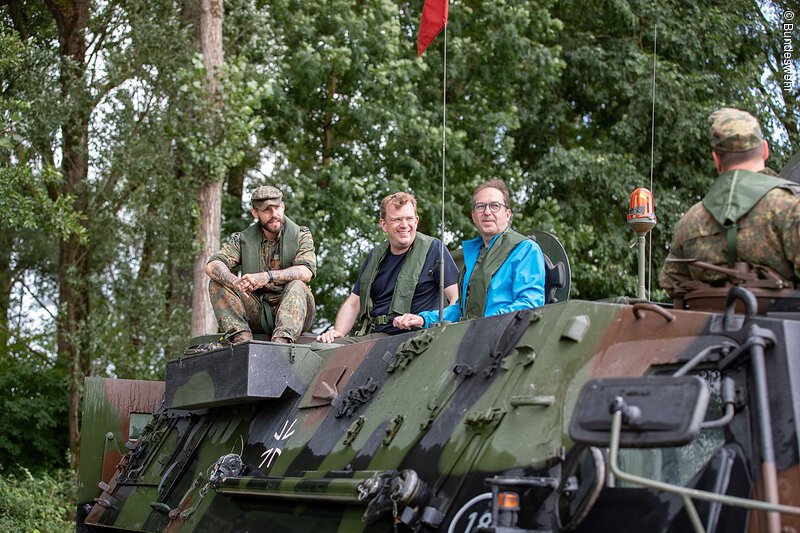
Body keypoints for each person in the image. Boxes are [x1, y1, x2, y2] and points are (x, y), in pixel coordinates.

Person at [659, 107, 800, 295]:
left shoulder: (689, 222)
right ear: (765, 150)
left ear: (716, 159)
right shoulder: (790, 207)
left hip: (711, 324)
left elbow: (671, 283)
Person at [394, 179, 546, 330]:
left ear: (507, 214)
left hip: (505, 337)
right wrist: (423, 319)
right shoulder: (475, 255)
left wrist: (486, 324)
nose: (487, 212)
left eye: (495, 206)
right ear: (474, 216)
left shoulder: (525, 249)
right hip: (472, 337)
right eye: (481, 206)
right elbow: (461, 310)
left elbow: (530, 303)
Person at [317, 192, 459, 342]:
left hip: (418, 336)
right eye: (397, 219)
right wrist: (337, 332)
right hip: (378, 337)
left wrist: (425, 319)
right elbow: (354, 303)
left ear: (416, 220)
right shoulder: (375, 256)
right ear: (383, 224)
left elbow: (457, 299)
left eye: (409, 218)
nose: (404, 225)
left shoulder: (433, 249)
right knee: (325, 347)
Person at [205, 185, 316, 344]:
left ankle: (280, 345)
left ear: (283, 206)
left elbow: (306, 272)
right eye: (266, 210)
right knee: (217, 282)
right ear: (255, 213)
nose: (274, 214)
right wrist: (235, 283)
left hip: (295, 311)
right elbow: (212, 265)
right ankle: (242, 341)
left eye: (277, 208)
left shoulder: (301, 235)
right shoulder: (242, 239)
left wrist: (267, 276)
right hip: (258, 311)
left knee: (297, 284)